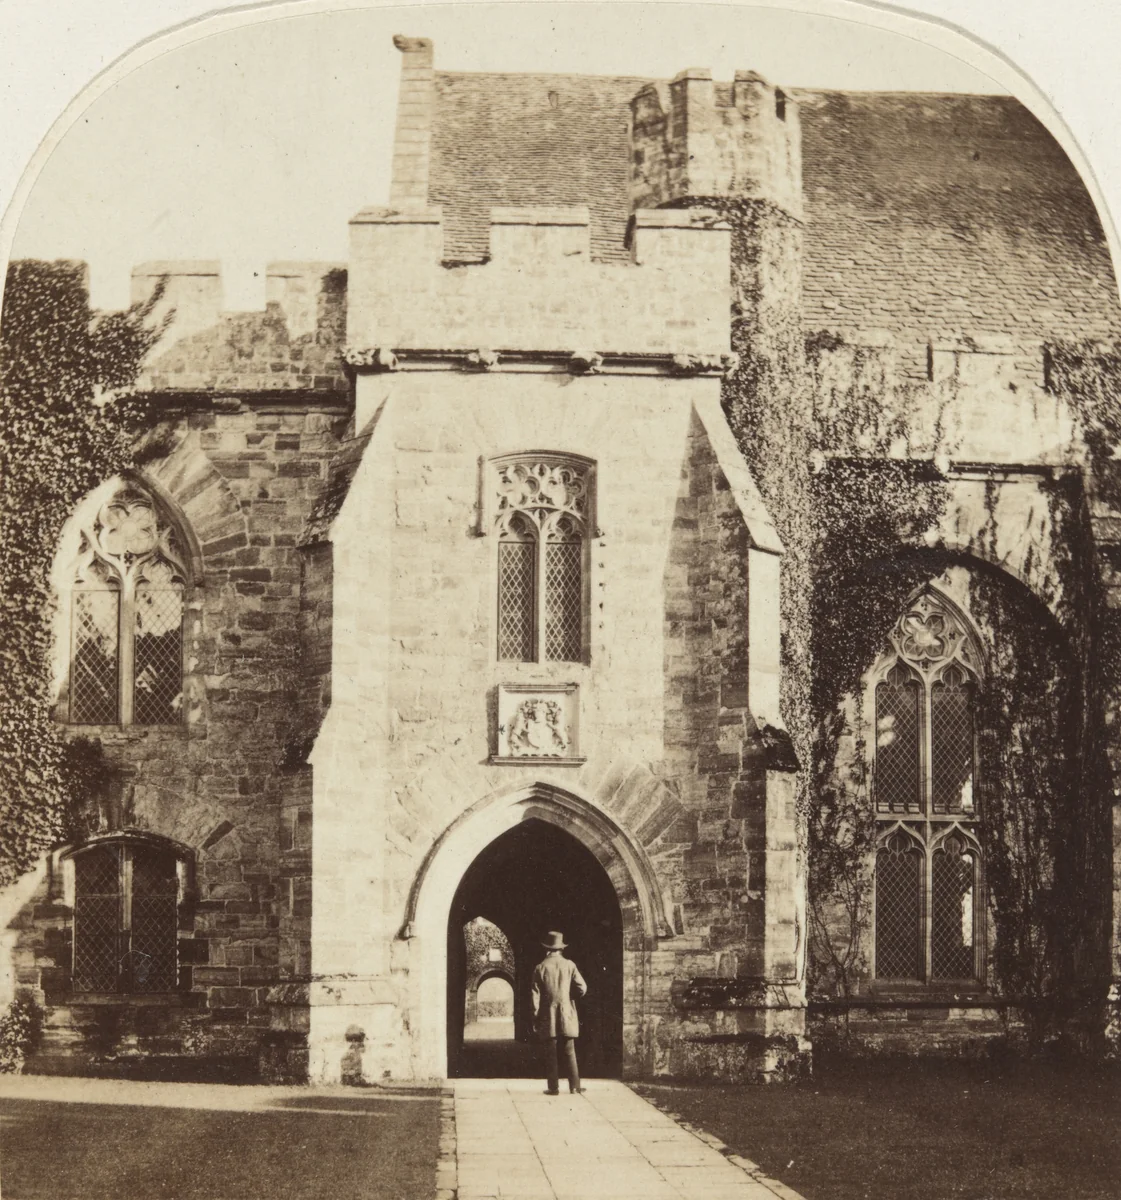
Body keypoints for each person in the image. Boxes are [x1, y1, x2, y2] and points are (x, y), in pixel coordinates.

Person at [531, 930, 588, 1095]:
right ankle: (575, 1086)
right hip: (567, 1013)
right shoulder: (570, 965)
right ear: (561, 948)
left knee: (551, 1052)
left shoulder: (540, 967)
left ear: (547, 949)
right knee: (570, 1050)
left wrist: (536, 1016)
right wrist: (569, 998)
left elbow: (535, 997)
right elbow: (582, 988)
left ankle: (553, 1088)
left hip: (548, 1015)